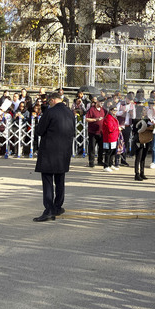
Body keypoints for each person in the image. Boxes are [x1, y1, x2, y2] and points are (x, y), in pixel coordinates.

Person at [33, 91, 75, 222]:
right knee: (60, 180)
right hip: (64, 152)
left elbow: (40, 130)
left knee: (47, 181)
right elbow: (73, 132)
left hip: (49, 151)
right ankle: (57, 206)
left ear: (52, 100)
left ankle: (49, 209)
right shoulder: (70, 113)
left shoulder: (50, 112)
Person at [84, 96, 104, 168]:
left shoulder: (103, 110)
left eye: (103, 103)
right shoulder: (92, 109)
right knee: (92, 147)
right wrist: (95, 119)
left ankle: (100, 160)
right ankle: (91, 162)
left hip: (101, 131)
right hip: (93, 132)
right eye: (101, 103)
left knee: (101, 147)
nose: (102, 104)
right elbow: (86, 119)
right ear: (97, 102)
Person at [100, 104, 121, 171]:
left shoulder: (113, 117)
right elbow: (110, 128)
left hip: (114, 137)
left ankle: (110, 164)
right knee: (108, 152)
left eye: (116, 110)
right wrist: (117, 128)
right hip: (109, 138)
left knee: (113, 152)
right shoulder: (108, 118)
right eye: (114, 110)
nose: (115, 111)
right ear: (110, 110)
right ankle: (106, 166)